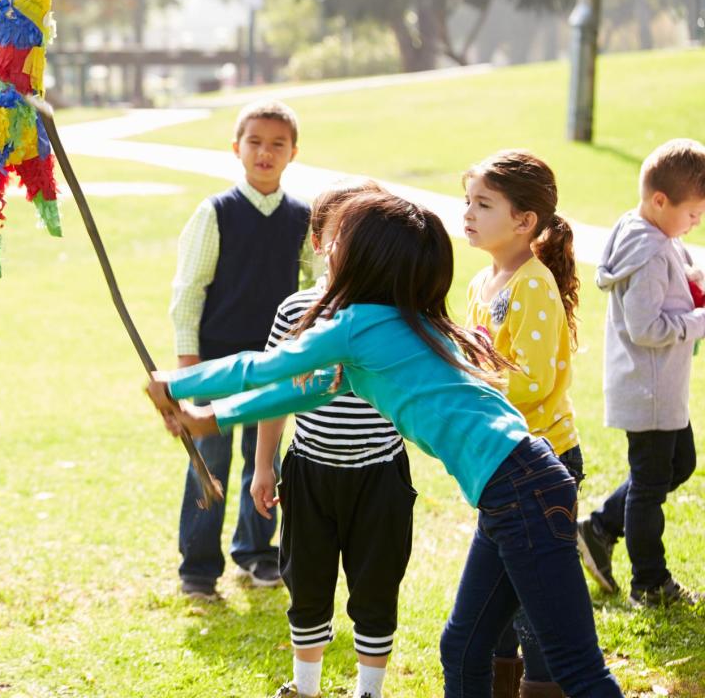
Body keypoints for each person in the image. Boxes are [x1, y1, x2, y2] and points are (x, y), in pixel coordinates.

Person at [148, 192, 622, 697]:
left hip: (521, 489)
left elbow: (261, 367)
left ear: (364, 258)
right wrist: (211, 418)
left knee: (575, 667)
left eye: (340, 240)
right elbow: (301, 389)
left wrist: (177, 384)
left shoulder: (359, 327)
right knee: (462, 648)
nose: (328, 248)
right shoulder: (394, 325)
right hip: (514, 490)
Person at [252, 179, 411, 698]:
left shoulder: (396, 313)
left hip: (380, 474)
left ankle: (370, 690)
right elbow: (274, 396)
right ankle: (306, 687)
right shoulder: (294, 312)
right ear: (320, 243)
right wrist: (262, 465)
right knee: (308, 583)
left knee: (376, 584)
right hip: (310, 472)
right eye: (342, 232)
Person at [169, 99, 311, 599]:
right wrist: (188, 373)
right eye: (255, 142)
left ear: (294, 153)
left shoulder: (302, 219)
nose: (265, 152)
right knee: (209, 459)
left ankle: (256, 551)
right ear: (236, 148)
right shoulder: (216, 213)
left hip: (276, 362)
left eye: (277, 144)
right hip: (216, 364)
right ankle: (198, 568)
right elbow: (189, 292)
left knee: (263, 456)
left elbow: (315, 289)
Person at [462, 151, 582, 698]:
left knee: (536, 610)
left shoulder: (531, 285)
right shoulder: (482, 282)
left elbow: (531, 381)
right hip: (501, 463)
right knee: (501, 606)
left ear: (525, 220)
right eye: (468, 201)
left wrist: (468, 386)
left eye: (483, 204)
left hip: (543, 461)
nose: (468, 213)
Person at [576, 138, 705, 608]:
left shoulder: (651, 234)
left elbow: (676, 272)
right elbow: (646, 326)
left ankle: (599, 527)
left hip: (660, 386)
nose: (696, 223)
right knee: (650, 486)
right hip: (648, 388)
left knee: (679, 465)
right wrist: (699, 322)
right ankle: (649, 584)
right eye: (693, 215)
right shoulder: (647, 252)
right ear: (659, 201)